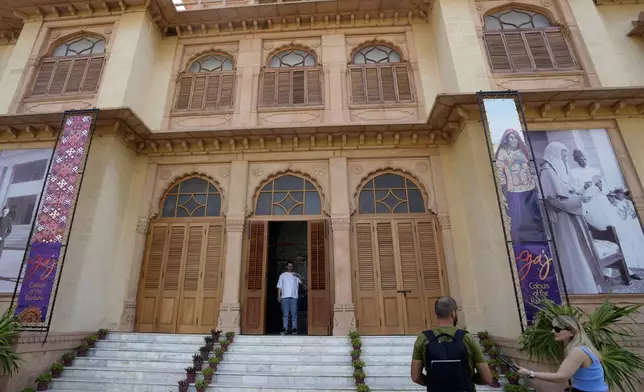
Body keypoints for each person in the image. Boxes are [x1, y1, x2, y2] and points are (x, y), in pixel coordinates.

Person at [539, 142, 604, 294]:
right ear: (555, 154)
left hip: (572, 216)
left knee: (581, 249)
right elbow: (555, 200)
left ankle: (589, 285)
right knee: (573, 252)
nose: (566, 159)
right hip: (563, 220)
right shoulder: (547, 171)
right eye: (564, 155)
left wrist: (583, 189)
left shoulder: (557, 171)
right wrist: (580, 199)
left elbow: (567, 191)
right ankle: (579, 288)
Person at [410, 296, 492, 391]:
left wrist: (433, 382)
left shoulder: (423, 338)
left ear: (437, 314)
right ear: (453, 313)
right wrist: (468, 379)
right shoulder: (467, 337)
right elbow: (487, 378)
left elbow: (415, 377)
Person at [516, 315, 608, 392]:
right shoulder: (583, 348)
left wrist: (530, 373)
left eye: (557, 329)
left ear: (571, 332)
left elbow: (561, 377)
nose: (553, 331)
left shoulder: (578, 351)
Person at [494, 129, 545, 243]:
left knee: (533, 216)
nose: (513, 140)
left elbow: (529, 168)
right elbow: (499, 171)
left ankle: (537, 240)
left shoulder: (521, 151)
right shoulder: (503, 152)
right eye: (511, 138)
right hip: (514, 190)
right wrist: (503, 189)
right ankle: (522, 242)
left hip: (529, 189)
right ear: (506, 140)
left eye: (515, 137)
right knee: (518, 218)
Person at [611, 188, 644, 277]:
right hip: (624, 226)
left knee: (638, 243)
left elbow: (634, 214)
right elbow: (620, 217)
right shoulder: (614, 204)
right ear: (616, 194)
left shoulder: (628, 202)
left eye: (622, 193)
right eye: (619, 193)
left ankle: (641, 263)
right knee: (628, 245)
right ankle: (632, 266)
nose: (621, 194)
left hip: (633, 224)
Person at [277, 261, 303, 335]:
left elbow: (303, 282)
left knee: (294, 313)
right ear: (286, 266)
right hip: (284, 296)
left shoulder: (296, 275)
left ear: (293, 267)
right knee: (285, 314)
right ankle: (285, 329)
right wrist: (279, 296)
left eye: (291, 266)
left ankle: (294, 329)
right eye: (289, 266)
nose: (290, 268)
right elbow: (279, 286)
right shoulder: (282, 275)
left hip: (294, 296)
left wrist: (298, 276)